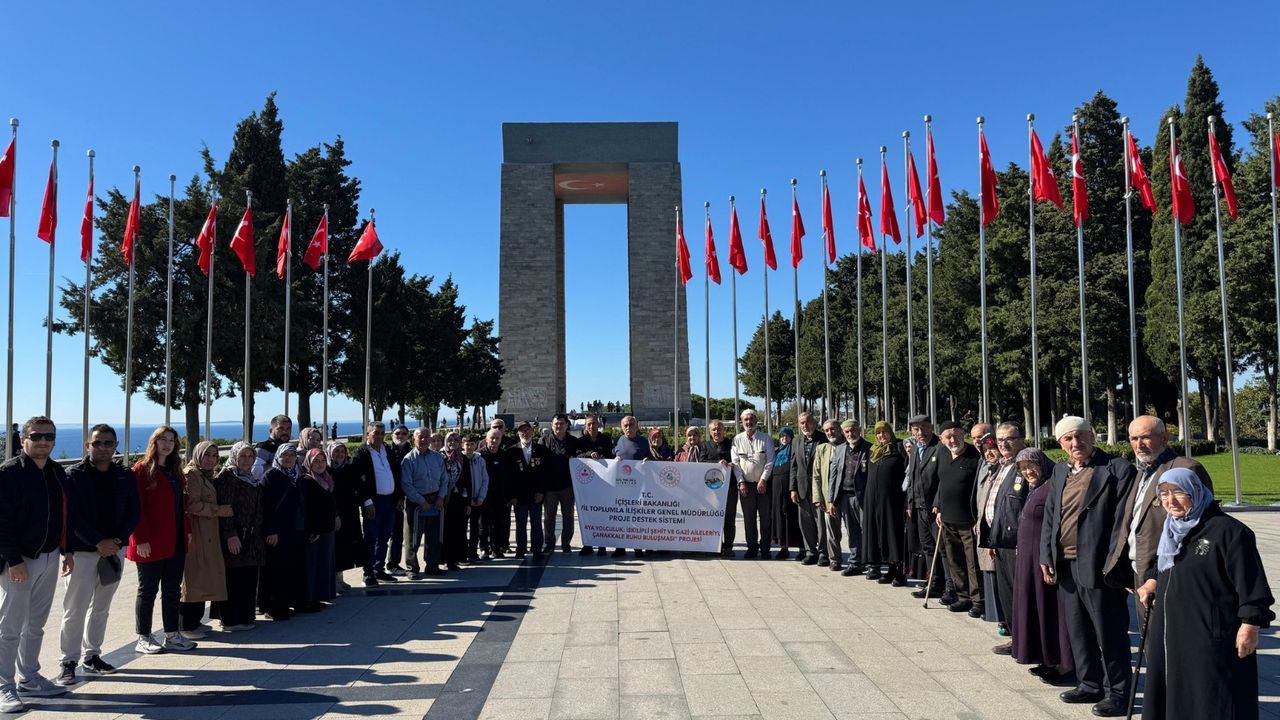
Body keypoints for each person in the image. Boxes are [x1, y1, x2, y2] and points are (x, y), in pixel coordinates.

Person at [1136, 468, 1274, 720]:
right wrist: (1152, 581)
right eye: (1164, 494)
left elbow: (1252, 586)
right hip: (1172, 632)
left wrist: (1250, 625)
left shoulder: (1229, 531)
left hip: (1210, 635)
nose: (1170, 500)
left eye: (1179, 492)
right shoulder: (1172, 529)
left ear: (1196, 492)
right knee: (1175, 694)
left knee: (1211, 698)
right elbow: (1163, 564)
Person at [1039, 416, 1134, 717]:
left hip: (1098, 565)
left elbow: (1122, 522)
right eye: (1068, 438)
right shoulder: (1059, 471)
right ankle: (1090, 683)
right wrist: (1046, 556)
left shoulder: (1117, 469)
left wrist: (1114, 564)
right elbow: (1051, 515)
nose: (1075, 443)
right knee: (1078, 629)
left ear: (1092, 436)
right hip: (1065, 563)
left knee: (1109, 632)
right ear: (1060, 444)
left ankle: (1119, 692)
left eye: (1080, 436)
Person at [1104, 415, 1211, 628]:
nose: (1139, 444)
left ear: (1164, 438)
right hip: (1140, 570)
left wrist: (1156, 572)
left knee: (1168, 635)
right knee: (1150, 636)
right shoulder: (1142, 472)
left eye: (1145, 437)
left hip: (1167, 570)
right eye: (1134, 439)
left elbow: (1200, 524)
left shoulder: (1185, 469)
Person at [56, 424, 138, 686]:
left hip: (113, 550)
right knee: (75, 609)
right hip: (82, 552)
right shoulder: (73, 476)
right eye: (97, 443)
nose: (103, 448)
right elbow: (71, 516)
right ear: (87, 446)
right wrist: (97, 541)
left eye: (108, 443)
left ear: (116, 446)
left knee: (101, 608)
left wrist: (116, 541)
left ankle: (92, 656)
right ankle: (68, 662)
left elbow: (133, 512)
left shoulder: (124, 475)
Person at [0, 417, 73, 711]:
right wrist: (13, 560)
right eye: (37, 436)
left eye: (49, 436)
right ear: (23, 440)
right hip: (19, 560)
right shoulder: (8, 473)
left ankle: (29, 677)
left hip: (50, 556)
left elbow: (63, 515)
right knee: (10, 626)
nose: (43, 441)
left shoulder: (56, 472)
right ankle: (3, 685)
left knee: (36, 624)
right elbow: (2, 520)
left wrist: (66, 551)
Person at [128, 426, 194, 654]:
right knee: (148, 590)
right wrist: (141, 538)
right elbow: (135, 508)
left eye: (171, 440)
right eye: (162, 439)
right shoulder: (141, 470)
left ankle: (172, 635)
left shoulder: (175, 471)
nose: (167, 444)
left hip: (175, 539)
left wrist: (187, 531)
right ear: (154, 442)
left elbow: (182, 506)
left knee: (172, 589)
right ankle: (143, 637)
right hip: (151, 541)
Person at [1009, 448, 1072, 684]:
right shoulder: (1034, 488)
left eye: (1031, 466)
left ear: (1043, 464)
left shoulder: (1052, 487)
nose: (1028, 472)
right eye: (1023, 469)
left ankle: (1062, 663)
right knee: (1035, 607)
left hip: (1043, 559)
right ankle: (1045, 657)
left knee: (1050, 609)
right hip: (1028, 558)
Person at [178, 441, 231, 639]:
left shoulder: (204, 475)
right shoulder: (192, 474)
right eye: (207, 455)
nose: (211, 459)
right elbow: (191, 505)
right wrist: (218, 510)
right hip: (197, 533)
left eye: (214, 456)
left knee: (203, 578)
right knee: (194, 579)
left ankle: (194, 622)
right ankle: (186, 626)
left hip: (207, 532)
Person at [984, 423, 1029, 650]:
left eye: (1009, 439)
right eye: (1000, 440)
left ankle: (1025, 641)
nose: (1003, 444)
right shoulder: (1002, 465)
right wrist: (994, 538)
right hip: (1001, 540)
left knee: (1020, 595)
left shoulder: (1027, 465)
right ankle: (1016, 639)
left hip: (1017, 543)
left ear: (1022, 439)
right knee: (1008, 593)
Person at [213, 442, 264, 632]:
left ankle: (245, 617)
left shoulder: (251, 477)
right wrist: (230, 535)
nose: (246, 460)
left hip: (250, 536)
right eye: (242, 456)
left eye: (250, 456)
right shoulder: (227, 478)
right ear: (234, 456)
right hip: (235, 536)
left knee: (247, 578)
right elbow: (225, 508)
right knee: (233, 579)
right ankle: (230, 620)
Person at [932, 421, 982, 615]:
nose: (953, 440)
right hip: (947, 518)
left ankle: (978, 601)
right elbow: (941, 482)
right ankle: (963, 597)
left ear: (963, 434)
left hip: (969, 519)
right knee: (954, 560)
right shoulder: (943, 454)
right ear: (942, 439)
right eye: (948, 437)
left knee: (972, 562)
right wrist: (938, 506)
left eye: (956, 435)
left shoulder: (975, 455)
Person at [260, 444, 306, 619]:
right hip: (276, 531)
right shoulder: (271, 475)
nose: (288, 458)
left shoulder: (296, 476)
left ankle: (286, 603)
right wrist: (270, 530)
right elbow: (266, 506)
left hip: (292, 530)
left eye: (292, 455)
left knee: (289, 567)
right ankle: (272, 608)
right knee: (275, 570)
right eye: (284, 455)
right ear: (277, 457)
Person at [352, 422, 399, 587]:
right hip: (373, 502)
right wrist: (367, 501)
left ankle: (379, 569)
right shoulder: (361, 453)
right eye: (376, 433)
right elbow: (358, 481)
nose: (379, 436)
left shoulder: (387, 451)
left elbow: (395, 473)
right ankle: (368, 573)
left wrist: (398, 497)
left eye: (382, 433)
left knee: (384, 537)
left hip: (389, 500)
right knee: (371, 538)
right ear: (368, 434)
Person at [905, 415, 945, 599]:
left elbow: (943, 480)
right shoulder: (915, 448)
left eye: (923, 428)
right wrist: (910, 503)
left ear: (931, 427)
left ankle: (948, 586)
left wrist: (938, 503)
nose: (920, 432)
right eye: (916, 429)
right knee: (927, 546)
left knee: (941, 548)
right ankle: (933, 583)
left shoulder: (940, 447)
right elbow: (912, 478)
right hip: (919, 506)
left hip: (935, 508)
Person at [861, 421, 906, 585]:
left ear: (890, 432)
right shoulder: (873, 451)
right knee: (878, 534)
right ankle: (888, 569)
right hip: (872, 500)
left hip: (892, 500)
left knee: (893, 534)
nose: (881, 436)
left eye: (884, 432)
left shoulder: (899, 449)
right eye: (878, 433)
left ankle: (899, 571)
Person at [729, 410, 774, 559]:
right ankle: (752, 548)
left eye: (752, 419)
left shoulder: (766, 438)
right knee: (749, 519)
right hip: (746, 486)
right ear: (742, 422)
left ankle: (766, 549)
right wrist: (740, 481)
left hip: (763, 486)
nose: (749, 422)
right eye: (746, 420)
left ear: (756, 420)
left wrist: (763, 479)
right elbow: (735, 463)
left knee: (765, 519)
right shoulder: (737, 439)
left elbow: (770, 461)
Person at [401, 428, 446, 577]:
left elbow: (444, 479)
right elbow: (407, 485)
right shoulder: (408, 460)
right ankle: (412, 568)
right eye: (420, 437)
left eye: (427, 437)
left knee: (434, 537)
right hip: (416, 503)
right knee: (413, 537)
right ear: (413, 439)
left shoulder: (437, 457)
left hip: (436, 500)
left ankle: (432, 566)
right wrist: (421, 501)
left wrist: (441, 497)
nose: (424, 440)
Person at [831, 420, 871, 576]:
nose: (850, 434)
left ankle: (870, 563)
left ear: (859, 430)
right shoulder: (840, 449)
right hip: (845, 497)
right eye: (847, 431)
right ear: (843, 433)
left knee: (867, 531)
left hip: (863, 497)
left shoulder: (869, 448)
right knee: (852, 532)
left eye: (853, 430)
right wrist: (831, 500)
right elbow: (834, 475)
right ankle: (855, 563)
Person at [301, 447, 339, 607]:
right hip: (315, 531)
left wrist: (335, 516)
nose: (320, 464)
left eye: (323, 460)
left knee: (324, 563)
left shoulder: (326, 479)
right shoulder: (306, 480)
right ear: (309, 463)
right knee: (313, 565)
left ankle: (321, 595)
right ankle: (310, 598)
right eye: (316, 461)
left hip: (326, 529)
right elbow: (308, 508)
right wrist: (314, 529)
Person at [789, 412, 828, 565]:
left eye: (807, 422)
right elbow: (793, 466)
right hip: (802, 488)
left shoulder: (823, 439)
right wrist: (793, 488)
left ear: (814, 423)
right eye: (802, 423)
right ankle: (811, 551)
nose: (805, 425)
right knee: (805, 522)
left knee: (821, 522)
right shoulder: (796, 441)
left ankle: (824, 552)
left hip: (820, 488)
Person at [506, 421, 548, 559]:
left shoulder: (541, 450)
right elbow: (509, 476)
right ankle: (521, 549)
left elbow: (544, 473)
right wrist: (511, 495)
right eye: (522, 431)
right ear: (518, 433)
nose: (525, 433)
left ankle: (537, 549)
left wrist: (541, 492)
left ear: (532, 431)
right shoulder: (511, 451)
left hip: (536, 494)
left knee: (536, 523)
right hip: (519, 495)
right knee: (521, 523)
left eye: (527, 430)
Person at [973, 431, 1003, 622]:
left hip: (997, 529)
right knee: (987, 569)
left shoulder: (1003, 469)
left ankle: (1001, 615)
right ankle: (993, 612)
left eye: (993, 450)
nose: (990, 454)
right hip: (982, 525)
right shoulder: (985, 467)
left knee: (996, 570)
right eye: (986, 451)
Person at [326, 442, 364, 591]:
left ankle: (340, 578)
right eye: (336, 451)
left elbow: (359, 487)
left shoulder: (349, 469)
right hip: (334, 514)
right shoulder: (326, 471)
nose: (339, 454)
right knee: (335, 547)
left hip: (349, 513)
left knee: (345, 547)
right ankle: (333, 580)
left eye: (342, 451)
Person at [574, 413, 613, 556]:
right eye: (589, 424)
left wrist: (602, 456)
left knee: (602, 514)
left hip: (603, 483)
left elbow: (611, 455)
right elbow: (576, 456)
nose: (592, 426)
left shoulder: (606, 439)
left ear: (598, 425)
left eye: (594, 423)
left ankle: (602, 545)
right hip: (586, 484)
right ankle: (588, 545)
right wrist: (590, 454)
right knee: (587, 514)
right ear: (585, 426)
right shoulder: (580, 441)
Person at [540, 415, 578, 554]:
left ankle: (566, 543)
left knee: (568, 516)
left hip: (567, 485)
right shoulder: (544, 441)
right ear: (552, 424)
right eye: (556, 423)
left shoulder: (574, 441)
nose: (559, 426)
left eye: (562, 423)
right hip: (550, 487)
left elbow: (581, 457)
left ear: (567, 425)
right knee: (549, 517)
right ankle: (549, 543)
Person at [441, 431, 478, 571]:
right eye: (450, 440)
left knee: (458, 529)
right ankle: (445, 559)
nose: (453, 443)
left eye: (456, 440)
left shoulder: (463, 458)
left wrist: (468, 502)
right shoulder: (440, 457)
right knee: (446, 530)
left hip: (459, 499)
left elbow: (468, 481)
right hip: (445, 498)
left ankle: (455, 559)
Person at [612, 416, 647, 558]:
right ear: (621, 427)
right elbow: (608, 461)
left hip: (638, 487)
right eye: (625, 425)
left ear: (636, 426)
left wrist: (648, 461)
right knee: (621, 518)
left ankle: (637, 547)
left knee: (637, 518)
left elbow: (651, 458)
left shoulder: (644, 442)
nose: (628, 427)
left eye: (631, 425)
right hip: (620, 487)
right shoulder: (616, 441)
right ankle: (620, 548)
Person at [810, 419, 842, 570]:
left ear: (839, 429)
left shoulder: (849, 446)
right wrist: (818, 497)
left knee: (854, 530)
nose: (830, 432)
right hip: (829, 497)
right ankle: (834, 559)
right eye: (827, 430)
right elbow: (816, 475)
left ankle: (858, 559)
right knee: (832, 530)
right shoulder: (822, 449)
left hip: (848, 495)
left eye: (833, 429)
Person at [770, 427, 801, 559]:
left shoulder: (795, 450)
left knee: (794, 517)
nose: (784, 438)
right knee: (780, 517)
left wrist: (793, 488)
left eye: (787, 436)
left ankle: (802, 549)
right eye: (782, 436)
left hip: (791, 490)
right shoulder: (777, 452)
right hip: (777, 490)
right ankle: (784, 547)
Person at [385, 425, 412, 576]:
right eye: (397, 433)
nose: (400, 436)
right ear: (392, 435)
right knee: (388, 533)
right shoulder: (386, 451)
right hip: (391, 498)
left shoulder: (411, 452)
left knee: (400, 534)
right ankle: (383, 565)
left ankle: (394, 563)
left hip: (409, 497)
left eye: (404, 433)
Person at [479, 429, 510, 559]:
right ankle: (484, 548)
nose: (494, 440)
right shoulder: (479, 455)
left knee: (498, 524)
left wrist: (508, 496)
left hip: (500, 496)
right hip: (484, 495)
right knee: (483, 524)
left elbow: (509, 477)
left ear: (501, 440)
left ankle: (496, 548)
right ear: (486, 439)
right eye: (492, 438)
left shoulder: (504, 455)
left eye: (497, 438)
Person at [463, 435, 490, 562]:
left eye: (472, 444)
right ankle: (463, 553)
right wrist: (467, 500)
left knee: (475, 527)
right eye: (467, 444)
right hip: (464, 501)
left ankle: (473, 552)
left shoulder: (480, 460)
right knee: (462, 528)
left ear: (475, 445)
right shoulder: (459, 459)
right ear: (463, 445)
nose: (469, 447)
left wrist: (481, 497)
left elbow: (485, 480)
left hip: (478, 499)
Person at [252, 415, 293, 482]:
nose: (285, 432)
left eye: (288, 428)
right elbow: (255, 471)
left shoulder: (290, 448)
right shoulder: (264, 447)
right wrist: (280, 464)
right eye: (281, 428)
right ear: (271, 430)